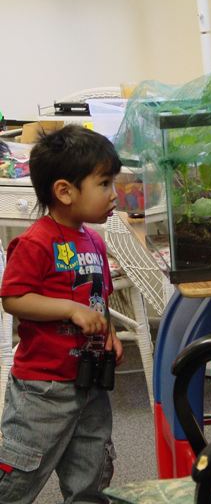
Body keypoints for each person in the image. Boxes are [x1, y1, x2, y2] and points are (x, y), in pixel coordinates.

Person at [0, 125, 124, 504]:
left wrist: (111, 333)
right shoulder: (36, 242)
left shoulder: (94, 241)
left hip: (91, 385)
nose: (114, 194)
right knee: (17, 478)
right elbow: (14, 297)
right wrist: (70, 309)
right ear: (65, 191)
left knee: (91, 477)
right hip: (43, 389)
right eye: (104, 184)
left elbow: (99, 299)